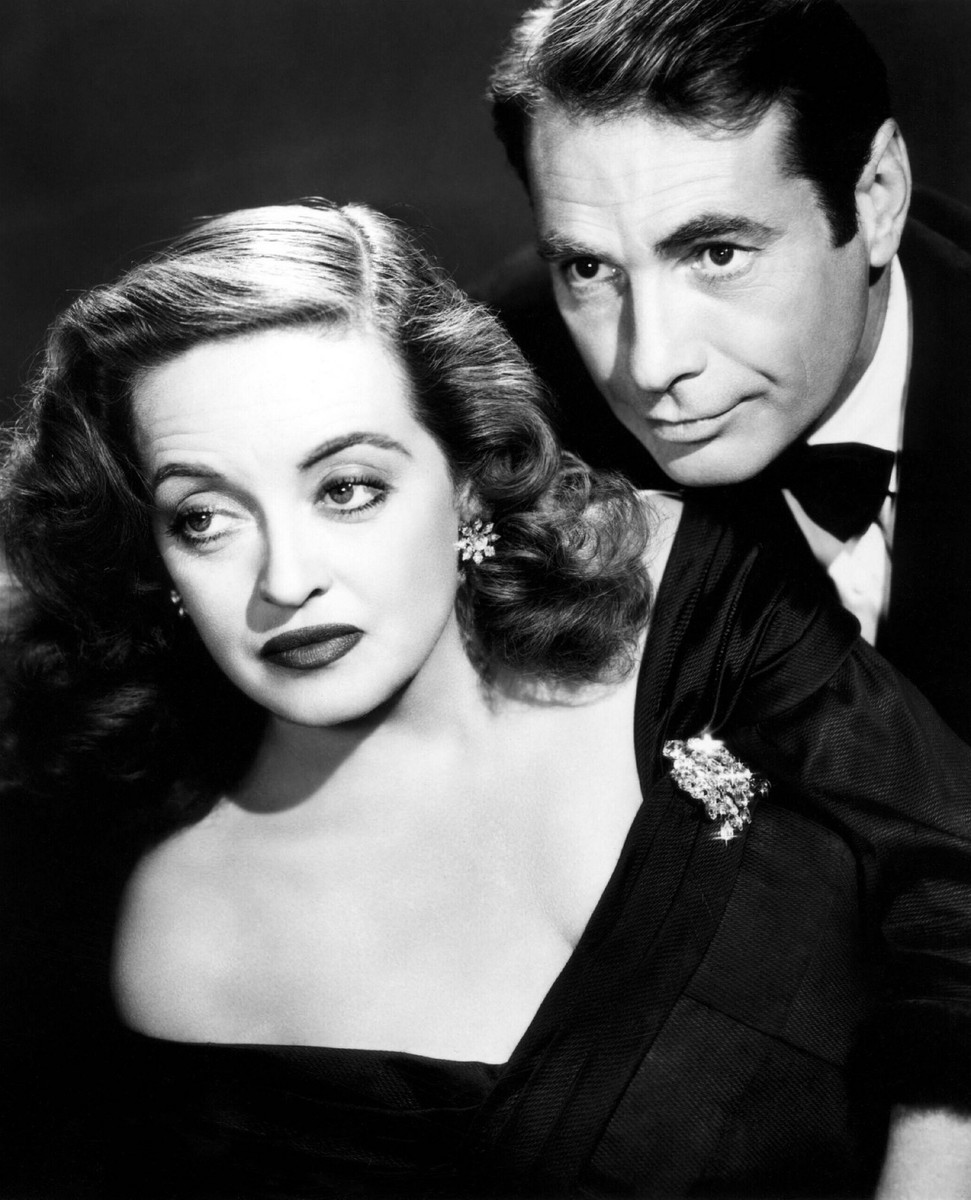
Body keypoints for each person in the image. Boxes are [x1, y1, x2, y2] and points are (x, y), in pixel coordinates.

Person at [0, 200, 969, 1200]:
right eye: (204, 517)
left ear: (466, 477)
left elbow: (950, 883)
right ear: (154, 555)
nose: (285, 579)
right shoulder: (196, 942)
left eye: (346, 489)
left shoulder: (676, 587)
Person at [484, 0, 971, 747]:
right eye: (588, 268)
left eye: (717, 254)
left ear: (876, 197)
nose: (651, 364)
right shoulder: (507, 397)